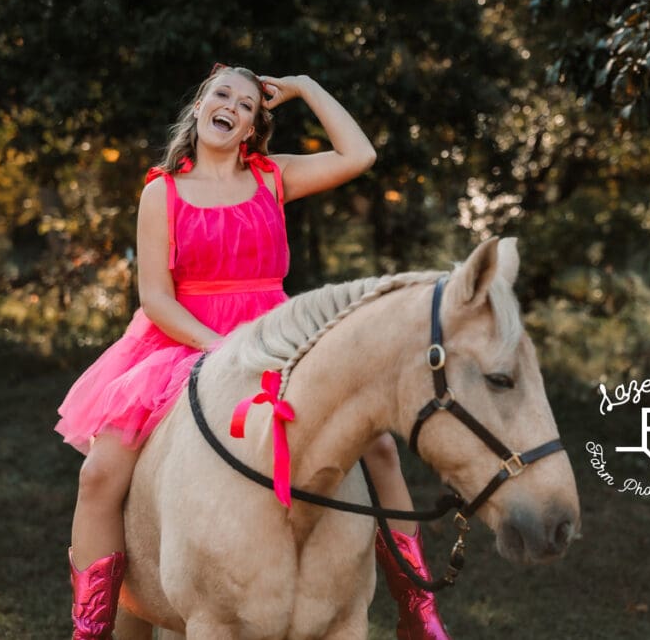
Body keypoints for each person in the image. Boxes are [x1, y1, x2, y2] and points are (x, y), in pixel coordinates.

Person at [54, 64, 452, 640]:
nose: (232, 107)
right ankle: (92, 628)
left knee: (381, 447)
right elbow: (157, 299)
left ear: (250, 130)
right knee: (100, 474)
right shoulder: (160, 193)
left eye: (246, 105)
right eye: (223, 95)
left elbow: (359, 155)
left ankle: (417, 609)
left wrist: (308, 86)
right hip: (184, 341)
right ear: (200, 107)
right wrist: (224, 351)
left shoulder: (272, 177)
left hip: (278, 337)